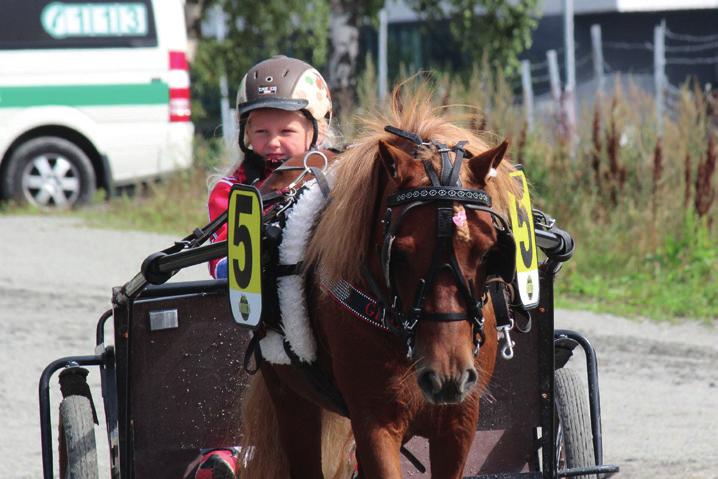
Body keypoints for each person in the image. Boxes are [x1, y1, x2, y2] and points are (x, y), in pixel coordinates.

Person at [196, 55, 335, 479]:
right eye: (261, 131)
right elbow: (220, 254)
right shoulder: (231, 190)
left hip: (321, 305)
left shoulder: (338, 179)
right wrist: (228, 269)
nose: (273, 142)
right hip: (252, 309)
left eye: (286, 131)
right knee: (223, 351)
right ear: (245, 134)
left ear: (317, 129)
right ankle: (227, 449)